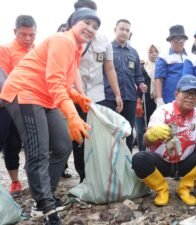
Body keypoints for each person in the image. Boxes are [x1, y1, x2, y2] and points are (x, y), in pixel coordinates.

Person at [0, 8, 100, 225]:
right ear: (73, 23)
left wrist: (76, 96)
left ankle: (44, 195)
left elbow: (61, 82)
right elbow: (54, 81)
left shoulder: (76, 49)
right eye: (87, 23)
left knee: (63, 146)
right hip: (24, 91)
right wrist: (72, 115)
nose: (91, 29)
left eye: (95, 27)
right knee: (39, 151)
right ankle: (46, 209)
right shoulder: (62, 40)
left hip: (46, 97)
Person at [132, 75, 196, 206]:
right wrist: (152, 134)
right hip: (161, 162)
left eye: (195, 94)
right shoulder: (162, 111)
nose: (191, 97)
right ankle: (161, 189)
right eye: (187, 93)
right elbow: (145, 142)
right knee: (139, 159)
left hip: (185, 162)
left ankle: (184, 188)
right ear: (176, 93)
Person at [65, 0, 123, 182]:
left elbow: (109, 68)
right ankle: (83, 175)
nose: (89, 23)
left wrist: (117, 93)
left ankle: (100, 173)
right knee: (79, 136)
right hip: (74, 95)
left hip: (98, 96)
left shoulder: (104, 40)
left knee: (98, 136)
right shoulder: (66, 37)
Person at [0, 15, 36, 197]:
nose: (28, 39)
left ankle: (34, 180)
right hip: (9, 104)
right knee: (11, 143)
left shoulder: (38, 51)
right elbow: (4, 80)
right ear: (15, 32)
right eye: (23, 35)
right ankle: (14, 181)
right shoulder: (5, 50)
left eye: (32, 35)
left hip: (32, 103)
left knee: (34, 145)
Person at [102, 19, 147, 151]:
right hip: (110, 98)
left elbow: (138, 75)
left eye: (127, 30)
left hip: (130, 99)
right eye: (121, 29)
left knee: (128, 131)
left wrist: (142, 84)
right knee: (111, 131)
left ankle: (127, 163)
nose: (124, 32)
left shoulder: (133, 52)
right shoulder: (106, 48)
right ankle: (111, 164)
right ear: (115, 30)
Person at [154, 25, 188, 106]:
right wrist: (159, 98)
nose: (179, 41)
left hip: (187, 98)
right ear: (170, 40)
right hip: (169, 99)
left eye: (182, 39)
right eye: (176, 39)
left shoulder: (190, 57)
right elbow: (158, 79)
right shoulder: (163, 57)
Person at [135, 44, 159, 151]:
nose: (154, 54)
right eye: (151, 52)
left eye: (155, 51)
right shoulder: (142, 67)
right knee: (141, 130)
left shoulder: (161, 66)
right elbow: (137, 81)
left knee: (154, 128)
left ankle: (155, 153)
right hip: (143, 101)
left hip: (156, 102)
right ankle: (142, 153)